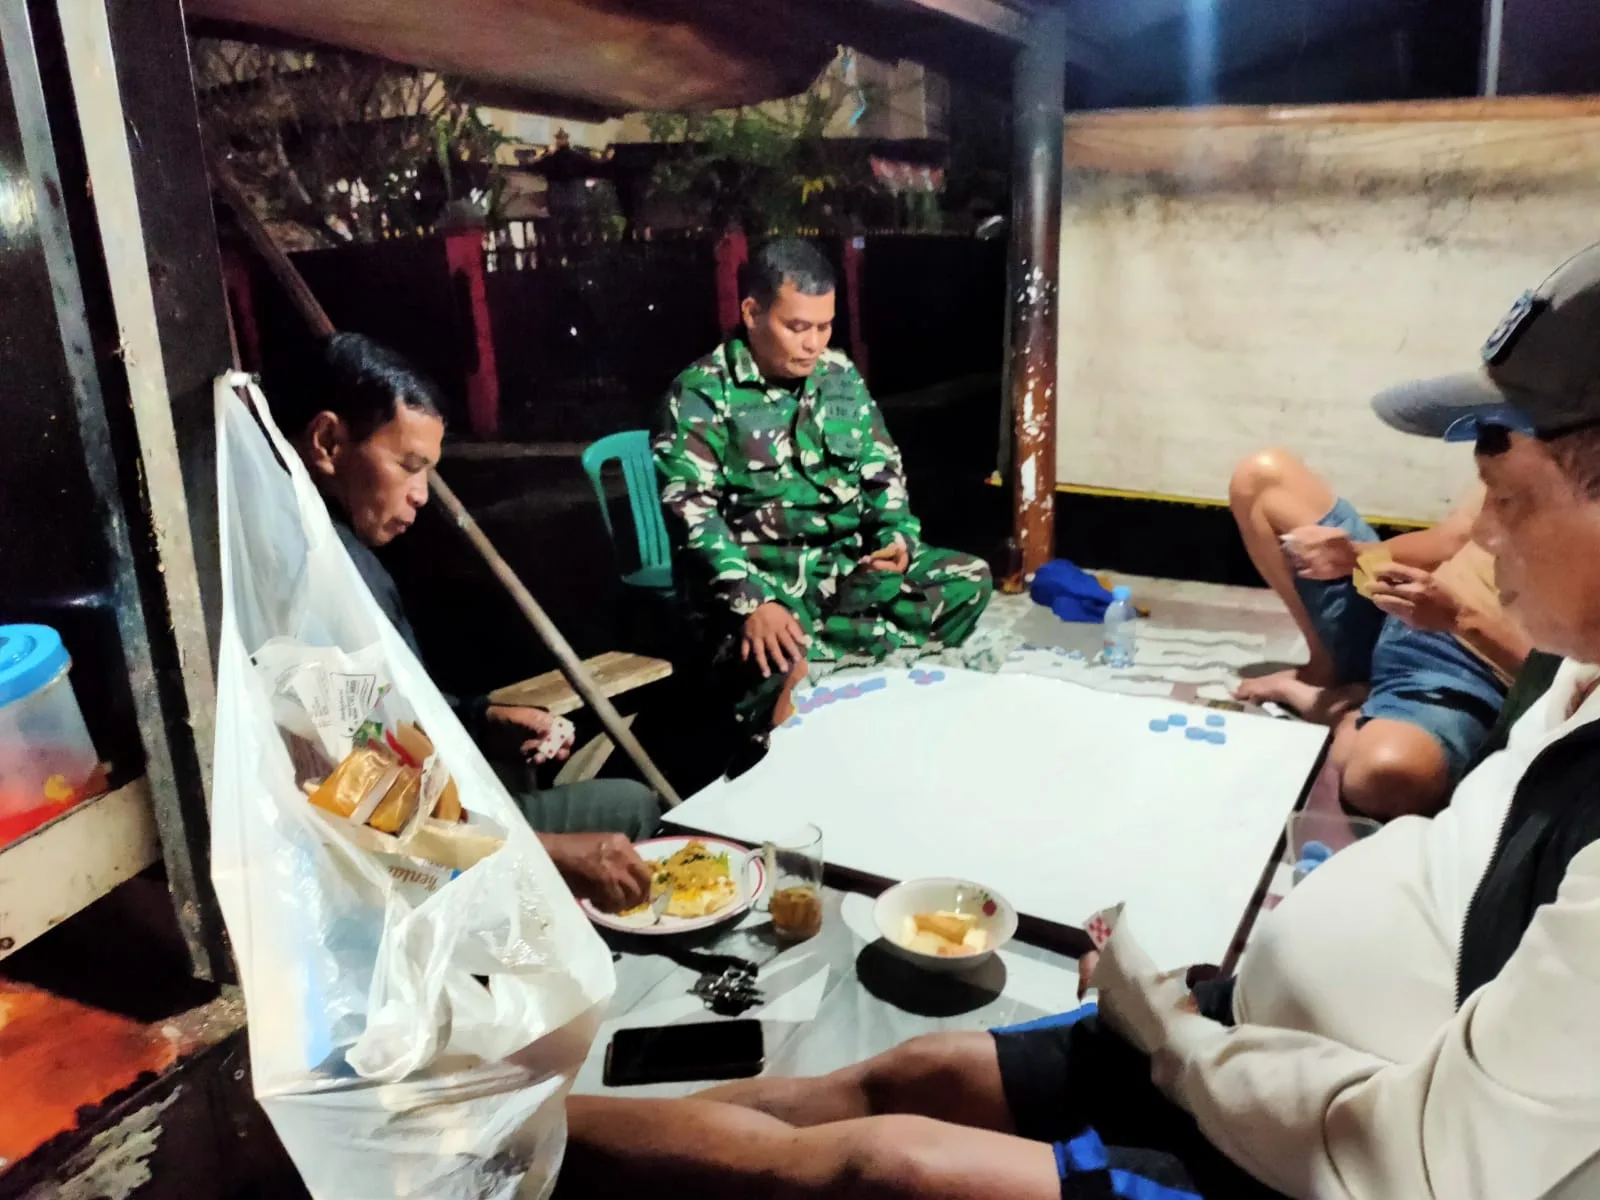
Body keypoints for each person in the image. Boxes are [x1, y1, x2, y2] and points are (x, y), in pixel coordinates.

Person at [557, 244, 1600, 1198]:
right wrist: (1194, 1019)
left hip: (1287, 1139)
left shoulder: (837, 383)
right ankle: (540, 1135)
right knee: (913, 1071)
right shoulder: (1570, 682)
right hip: (1240, 1045)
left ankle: (525, 1147)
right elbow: (699, 526)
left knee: (887, 1163)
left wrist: (1175, 1041)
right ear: (751, 315)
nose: (1478, 537)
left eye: (1505, 498)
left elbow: (1418, 1164)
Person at [291, 332, 657, 912]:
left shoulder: (346, 555)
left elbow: (393, 709)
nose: (420, 495)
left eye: (428, 473)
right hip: (410, 861)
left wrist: (483, 717)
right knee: (631, 812)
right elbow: (360, 799)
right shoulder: (308, 581)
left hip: (439, 798)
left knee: (622, 804)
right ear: (329, 442)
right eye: (408, 467)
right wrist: (550, 856)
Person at [654, 238, 993, 741]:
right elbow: (691, 512)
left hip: (843, 574)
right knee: (775, 646)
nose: (813, 343)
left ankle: (826, 666)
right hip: (765, 587)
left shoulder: (839, 376)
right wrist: (753, 601)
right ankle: (829, 667)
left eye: (824, 326)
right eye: (797, 327)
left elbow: (882, 468)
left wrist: (895, 539)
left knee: (968, 578)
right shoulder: (703, 391)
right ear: (752, 313)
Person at [1228, 448, 1530, 818]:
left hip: (1471, 669)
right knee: (1263, 478)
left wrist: (1460, 618)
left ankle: (1343, 710)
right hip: (1409, 596)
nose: (1489, 534)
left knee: (1384, 777)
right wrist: (1356, 556)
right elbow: (1452, 539)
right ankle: (1329, 670)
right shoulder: (1536, 442)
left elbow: (1567, 680)